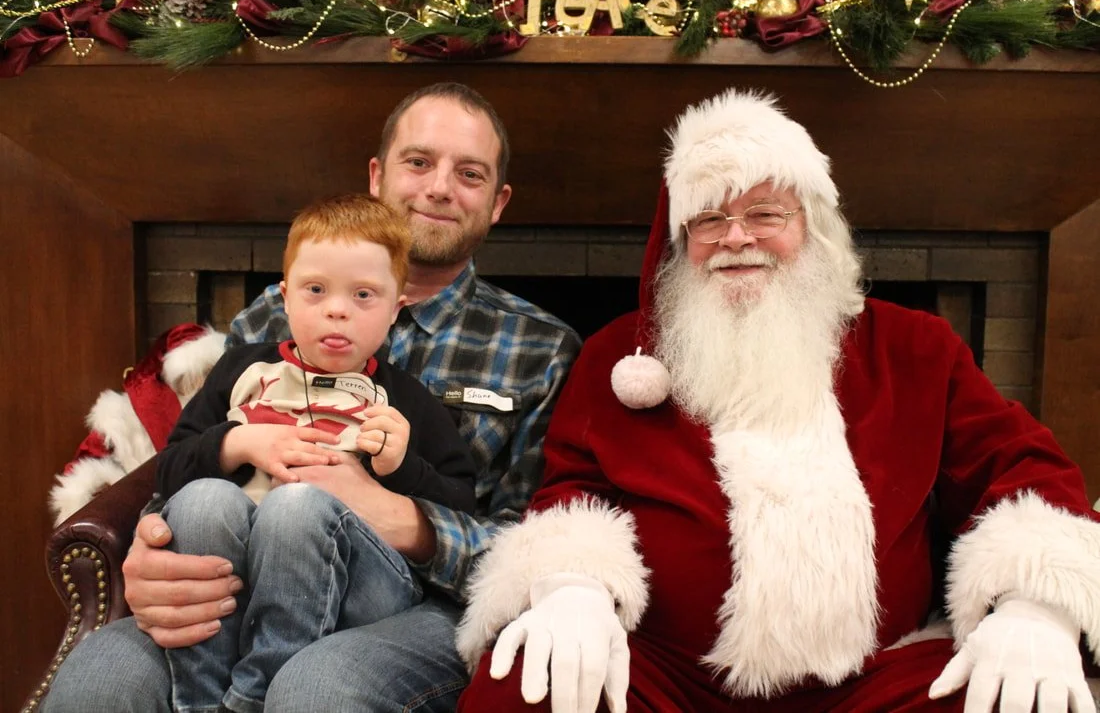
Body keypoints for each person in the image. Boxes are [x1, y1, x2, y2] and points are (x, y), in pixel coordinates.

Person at [455, 88, 1100, 713]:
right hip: (669, 675)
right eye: (709, 219)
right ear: (681, 242)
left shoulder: (915, 347)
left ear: (812, 227)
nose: (736, 238)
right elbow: (572, 488)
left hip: (877, 676)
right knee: (526, 683)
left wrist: (1034, 606)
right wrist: (572, 590)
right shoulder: (620, 357)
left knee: (1017, 694)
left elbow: (1018, 469)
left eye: (766, 214)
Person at [44, 82, 582, 713]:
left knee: (316, 686)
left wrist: (396, 515)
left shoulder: (542, 348)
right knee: (99, 679)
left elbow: (535, 544)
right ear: (378, 176)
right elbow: (190, 457)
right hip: (246, 572)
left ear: (497, 202)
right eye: (418, 162)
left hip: (422, 604)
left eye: (469, 173)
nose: (439, 187)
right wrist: (150, 546)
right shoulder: (271, 316)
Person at [154, 193, 478, 713]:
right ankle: (201, 699)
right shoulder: (242, 370)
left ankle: (256, 698)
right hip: (241, 566)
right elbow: (168, 471)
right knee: (201, 501)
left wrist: (401, 468)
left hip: (358, 584)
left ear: (397, 309)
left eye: (364, 295)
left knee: (297, 504)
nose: (336, 308)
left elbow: (461, 500)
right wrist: (238, 440)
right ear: (284, 298)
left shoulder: (406, 399)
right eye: (316, 290)